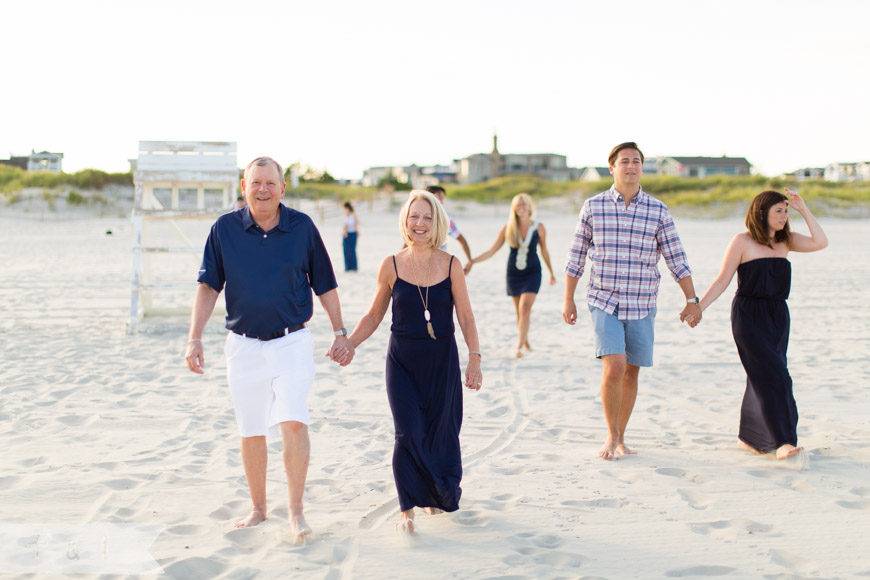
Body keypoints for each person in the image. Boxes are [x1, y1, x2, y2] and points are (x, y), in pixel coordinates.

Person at [184, 156, 355, 543]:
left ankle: (295, 510)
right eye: (255, 182)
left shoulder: (302, 228)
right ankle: (259, 508)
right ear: (243, 187)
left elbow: (325, 284)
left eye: (270, 183)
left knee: (293, 419)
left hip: (292, 342)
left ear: (282, 187)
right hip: (242, 346)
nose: (263, 189)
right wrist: (194, 336)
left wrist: (340, 331)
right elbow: (209, 286)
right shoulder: (224, 229)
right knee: (251, 428)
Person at [347, 190, 482, 533]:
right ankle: (407, 507)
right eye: (413, 217)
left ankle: (434, 494)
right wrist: (350, 343)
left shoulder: (451, 265)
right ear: (405, 221)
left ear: (437, 222)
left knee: (441, 433)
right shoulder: (390, 265)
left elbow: (465, 316)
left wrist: (474, 359)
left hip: (442, 361)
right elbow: (374, 315)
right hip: (402, 361)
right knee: (407, 433)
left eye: (427, 217)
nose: (419, 224)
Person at [563, 142, 701, 460]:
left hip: (642, 302)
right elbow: (576, 257)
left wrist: (691, 299)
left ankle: (621, 434)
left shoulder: (658, 210)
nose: (631, 166)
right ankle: (611, 437)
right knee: (614, 367)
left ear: (642, 168)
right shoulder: (593, 207)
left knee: (632, 372)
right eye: (624, 161)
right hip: (603, 300)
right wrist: (568, 299)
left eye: (636, 161)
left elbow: (676, 258)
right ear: (612, 168)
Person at [694, 188, 827, 460]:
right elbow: (723, 280)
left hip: (778, 316)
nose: (784, 216)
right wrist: (698, 307)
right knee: (775, 377)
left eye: (786, 210)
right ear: (761, 212)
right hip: (748, 316)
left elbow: (820, 242)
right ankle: (784, 442)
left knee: (762, 377)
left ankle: (750, 438)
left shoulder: (785, 241)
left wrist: (803, 209)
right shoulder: (742, 241)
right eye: (778, 210)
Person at [471, 193, 556, 358]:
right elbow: (492, 250)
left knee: (525, 309)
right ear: (514, 208)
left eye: (524, 204)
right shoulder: (508, 227)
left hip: (532, 272)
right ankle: (525, 340)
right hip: (513, 273)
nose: (521, 207)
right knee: (519, 312)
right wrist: (472, 261)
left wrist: (551, 272)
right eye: (518, 205)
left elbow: (544, 250)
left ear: (530, 207)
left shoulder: (539, 227)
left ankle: (518, 346)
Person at [425, 185, 474, 275]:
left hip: (440, 266)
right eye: (437, 198)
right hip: (419, 264)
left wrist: (469, 261)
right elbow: (408, 242)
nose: (439, 202)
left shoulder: (446, 220)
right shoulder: (417, 220)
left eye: (441, 201)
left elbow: (462, 240)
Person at [342, 201, 359, 272]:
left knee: (352, 250)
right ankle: (348, 267)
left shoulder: (353, 214)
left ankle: (354, 267)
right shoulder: (346, 215)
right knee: (346, 250)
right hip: (347, 233)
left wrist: (353, 228)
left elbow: (357, 222)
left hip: (352, 233)